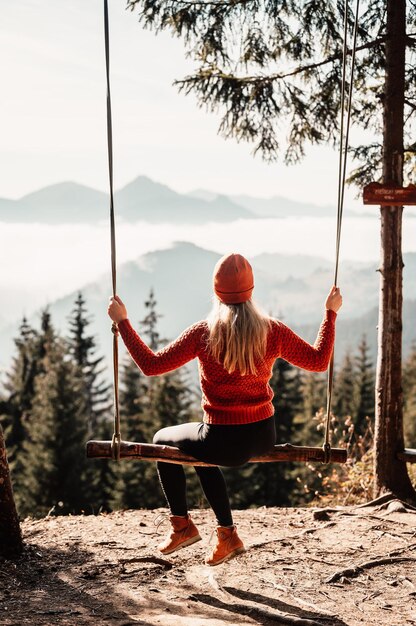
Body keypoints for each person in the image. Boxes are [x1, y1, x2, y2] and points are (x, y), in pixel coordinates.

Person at [107, 253, 342, 566]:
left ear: (216, 292)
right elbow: (318, 360)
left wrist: (122, 322)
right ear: (251, 289)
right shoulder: (271, 331)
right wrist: (330, 313)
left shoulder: (204, 333)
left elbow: (151, 365)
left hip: (221, 440)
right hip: (263, 435)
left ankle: (183, 526)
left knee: (163, 438)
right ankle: (226, 535)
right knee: (204, 451)